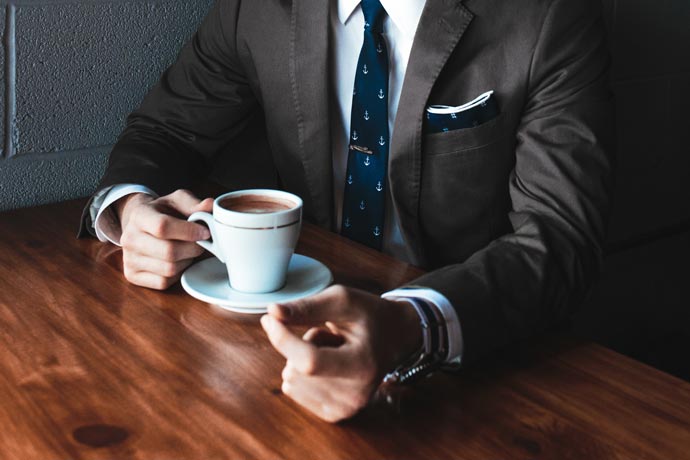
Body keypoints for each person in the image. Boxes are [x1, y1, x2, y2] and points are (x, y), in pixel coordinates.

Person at [80, 0, 614, 422]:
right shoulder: (255, 8)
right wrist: (129, 209)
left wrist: (413, 324)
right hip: (275, 343)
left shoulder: (549, 16)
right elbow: (165, 129)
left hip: (474, 368)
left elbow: (560, 237)